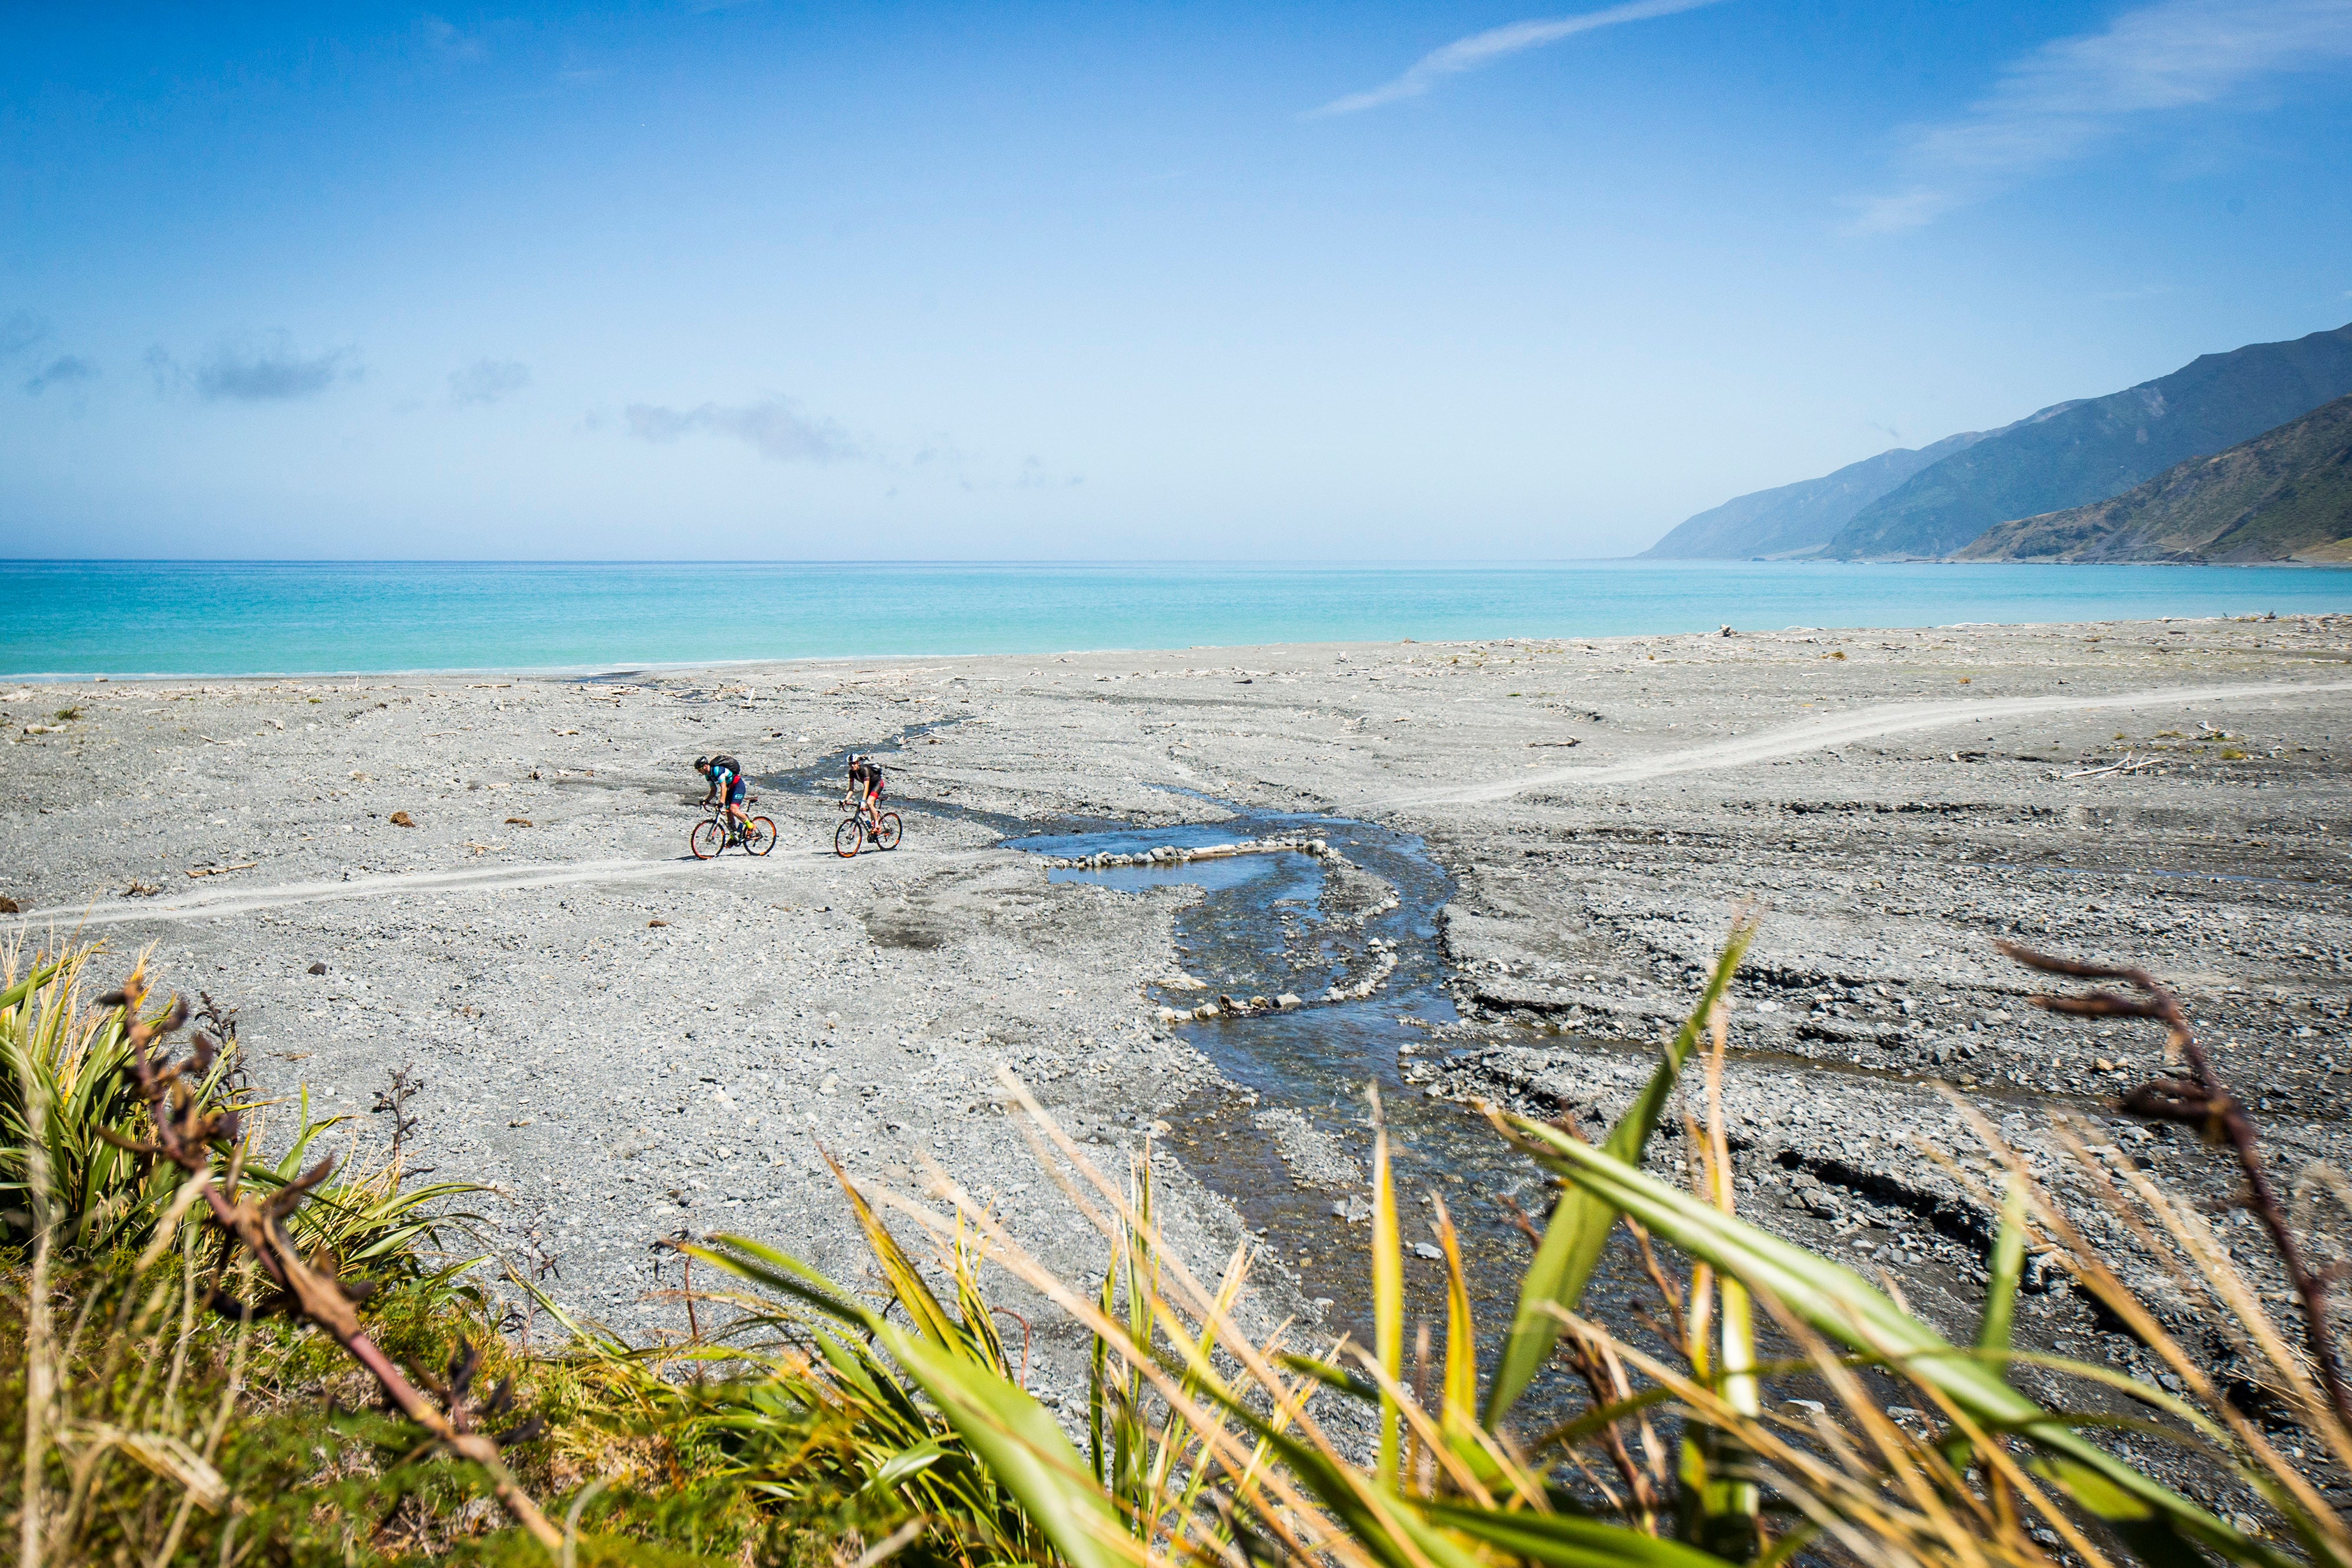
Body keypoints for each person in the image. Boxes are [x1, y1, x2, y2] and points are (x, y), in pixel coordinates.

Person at [696, 754, 749, 840]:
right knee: (729, 813)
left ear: (705, 767)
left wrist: (721, 803)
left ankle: (751, 826)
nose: (699, 772)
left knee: (733, 809)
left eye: (699, 769)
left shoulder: (717, 770)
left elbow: (723, 787)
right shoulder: (707, 776)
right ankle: (734, 837)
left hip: (737, 786)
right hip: (729, 789)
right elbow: (713, 790)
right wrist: (707, 800)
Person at [846, 753, 886, 833]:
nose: (852, 766)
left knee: (869, 803)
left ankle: (877, 826)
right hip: (871, 786)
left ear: (858, 763)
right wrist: (845, 800)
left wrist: (864, 801)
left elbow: (866, 787)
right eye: (850, 764)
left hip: (877, 784)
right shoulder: (851, 772)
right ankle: (873, 824)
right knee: (869, 806)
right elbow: (851, 789)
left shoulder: (864, 770)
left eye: (854, 764)